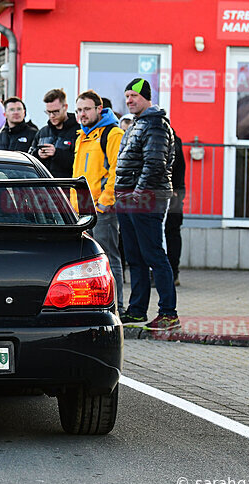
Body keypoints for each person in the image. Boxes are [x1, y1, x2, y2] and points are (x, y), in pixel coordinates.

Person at [115, 78, 178, 331]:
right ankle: (137, 311)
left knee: (153, 255)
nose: (129, 100)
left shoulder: (156, 124)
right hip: (127, 199)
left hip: (146, 199)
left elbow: (154, 164)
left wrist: (138, 194)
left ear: (146, 97)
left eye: (134, 96)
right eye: (127, 95)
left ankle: (168, 313)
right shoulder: (137, 124)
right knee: (135, 256)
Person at [73, 90, 125, 316]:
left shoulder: (113, 134)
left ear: (98, 109)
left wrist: (105, 202)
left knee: (109, 259)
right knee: (86, 262)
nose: (82, 114)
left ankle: (117, 306)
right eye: (78, 110)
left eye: (86, 109)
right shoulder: (82, 135)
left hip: (102, 209)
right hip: (80, 210)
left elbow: (117, 171)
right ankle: (93, 306)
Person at [32, 88, 79, 178]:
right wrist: (38, 155)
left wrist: (57, 154)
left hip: (67, 187)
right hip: (43, 188)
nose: (52, 116)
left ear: (65, 107)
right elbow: (30, 158)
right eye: (48, 112)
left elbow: (81, 163)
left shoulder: (78, 132)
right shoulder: (42, 133)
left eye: (56, 111)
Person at [166, 133, 186, 286]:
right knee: (172, 233)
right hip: (175, 192)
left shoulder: (166, 139)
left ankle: (172, 273)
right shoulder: (174, 139)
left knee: (170, 233)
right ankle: (173, 273)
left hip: (171, 193)